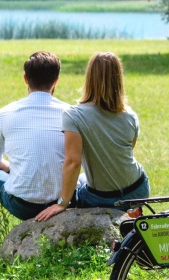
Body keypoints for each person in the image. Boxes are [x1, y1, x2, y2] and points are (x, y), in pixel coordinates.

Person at [0, 51, 76, 248]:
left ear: (25, 79)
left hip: (22, 205)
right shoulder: (71, 113)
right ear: (56, 80)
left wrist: (10, 167)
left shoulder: (6, 113)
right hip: (61, 200)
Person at [35, 51, 149, 222]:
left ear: (89, 77)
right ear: (119, 79)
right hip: (138, 188)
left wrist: (63, 203)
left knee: (79, 185)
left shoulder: (74, 115)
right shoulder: (130, 116)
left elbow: (73, 162)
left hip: (102, 198)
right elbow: (125, 151)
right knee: (83, 179)